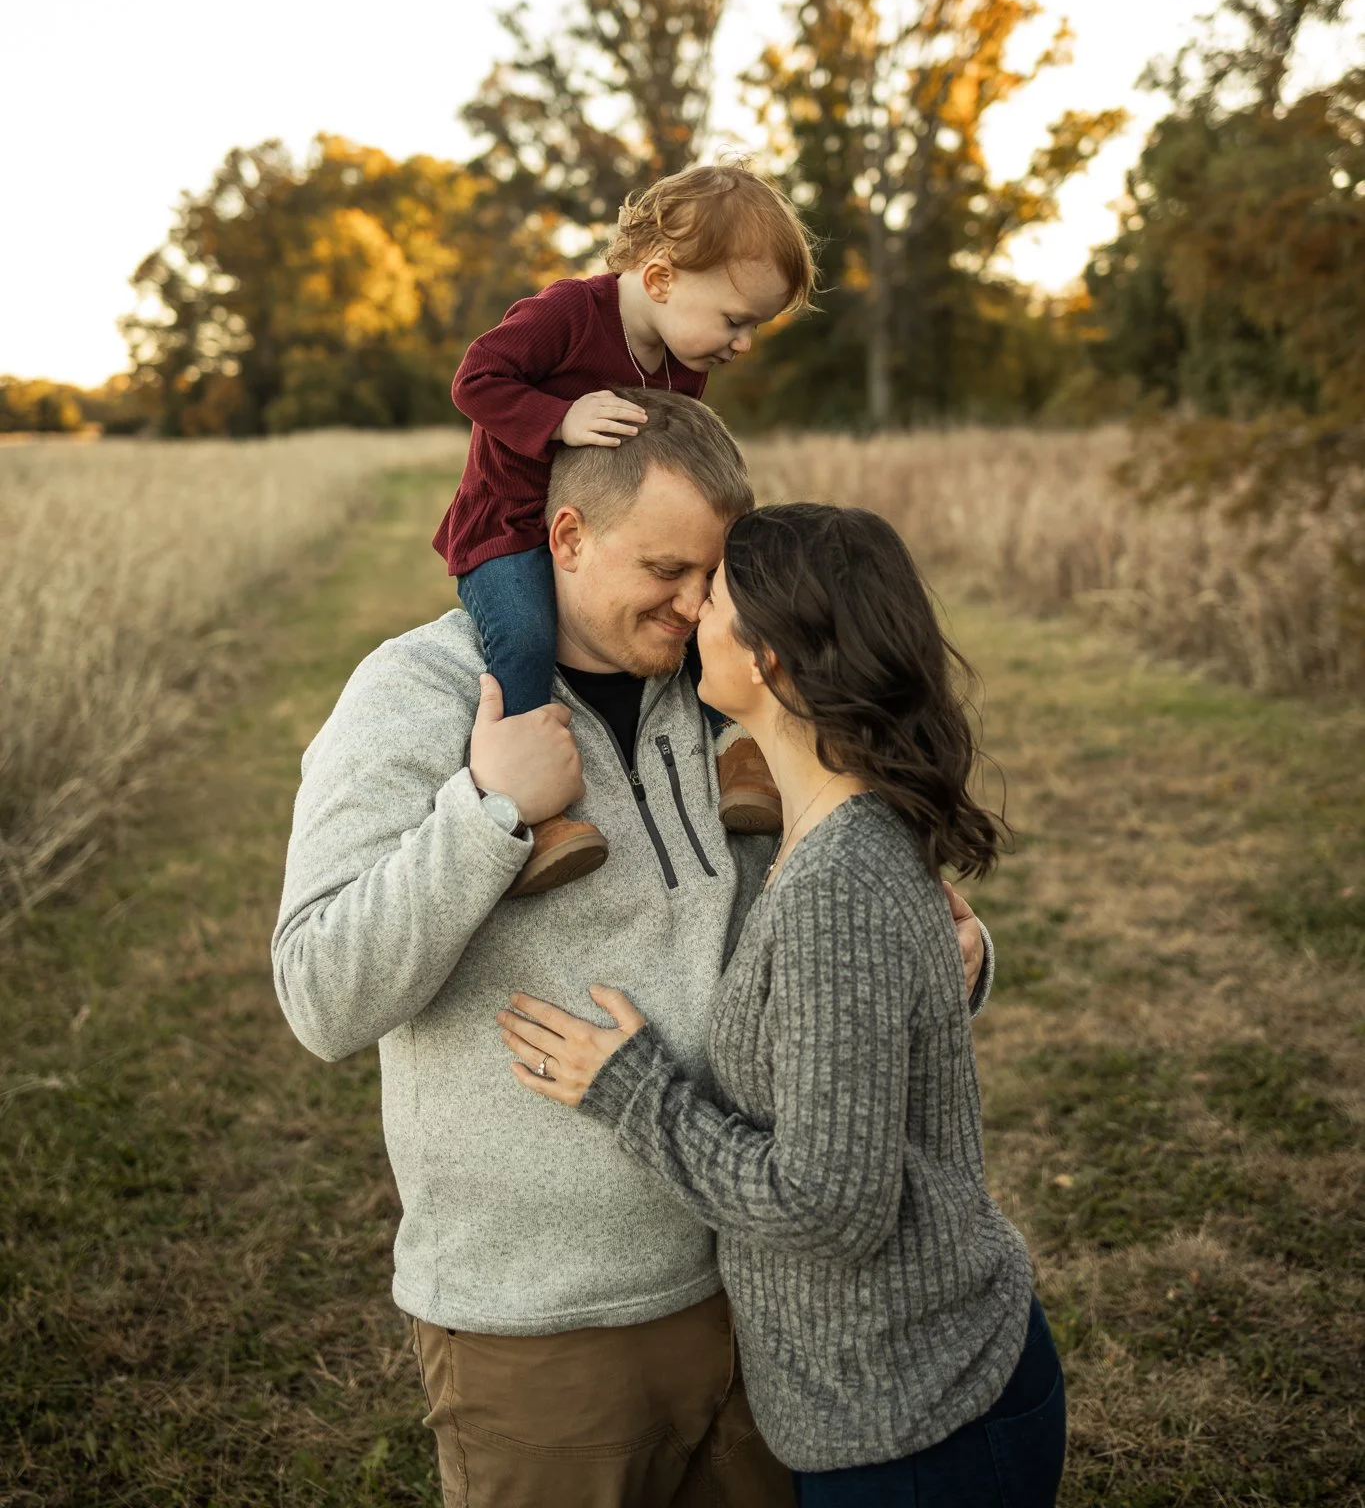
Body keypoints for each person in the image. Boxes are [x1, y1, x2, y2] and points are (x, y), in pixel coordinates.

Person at [273, 393, 994, 1508]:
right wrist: (486, 813)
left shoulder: (726, 691)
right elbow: (321, 994)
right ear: (567, 536)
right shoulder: (416, 694)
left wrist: (949, 958)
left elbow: (827, 913)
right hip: (548, 1325)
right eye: (667, 568)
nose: (697, 602)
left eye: (714, 573)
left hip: (764, 1290)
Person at [498, 502, 1066, 1508]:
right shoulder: (830, 830)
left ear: (766, 660)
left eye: (713, 597)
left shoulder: (834, 886)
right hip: (903, 1398)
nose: (690, 612)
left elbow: (827, 1206)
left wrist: (632, 1092)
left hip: (919, 1422)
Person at [432, 161, 818, 895]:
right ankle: (538, 811)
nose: (742, 344)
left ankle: (737, 750)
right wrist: (559, 418)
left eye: (753, 328)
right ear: (662, 279)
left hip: (612, 529)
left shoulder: (681, 359)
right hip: (513, 523)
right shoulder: (567, 314)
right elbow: (474, 379)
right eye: (735, 320)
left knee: (703, 608)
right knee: (524, 635)